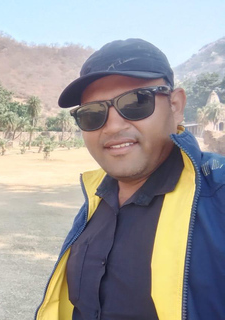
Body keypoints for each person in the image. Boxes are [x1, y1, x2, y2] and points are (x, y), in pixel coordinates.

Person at [35, 38, 225, 320]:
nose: (112, 126)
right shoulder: (97, 198)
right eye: (92, 113)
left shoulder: (217, 194)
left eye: (136, 102)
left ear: (175, 106)